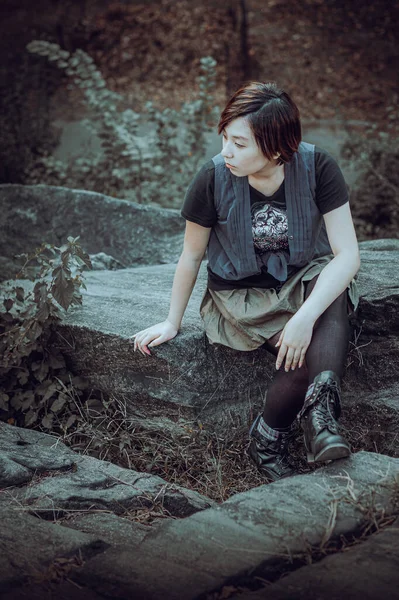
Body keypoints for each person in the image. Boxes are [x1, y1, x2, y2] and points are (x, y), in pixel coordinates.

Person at [132, 82, 360, 482]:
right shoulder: (213, 177)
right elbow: (191, 254)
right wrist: (172, 321)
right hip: (243, 293)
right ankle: (267, 438)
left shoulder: (318, 167)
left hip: (303, 276)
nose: (226, 151)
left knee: (331, 287)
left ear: (274, 147)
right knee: (300, 357)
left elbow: (348, 256)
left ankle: (321, 420)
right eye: (225, 138)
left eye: (238, 143)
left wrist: (303, 318)